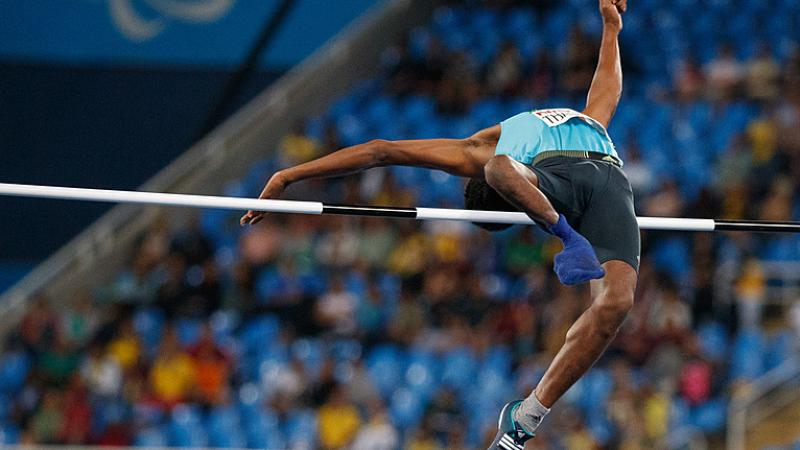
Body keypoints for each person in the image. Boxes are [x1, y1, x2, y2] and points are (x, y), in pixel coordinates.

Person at [241, 0, 635, 448]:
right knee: (500, 168)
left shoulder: (490, 149)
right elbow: (389, 153)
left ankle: (525, 409)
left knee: (614, 306)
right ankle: (528, 418)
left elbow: (381, 149)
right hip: (555, 181)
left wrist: (610, 27)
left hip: (603, 180)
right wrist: (290, 177)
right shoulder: (488, 156)